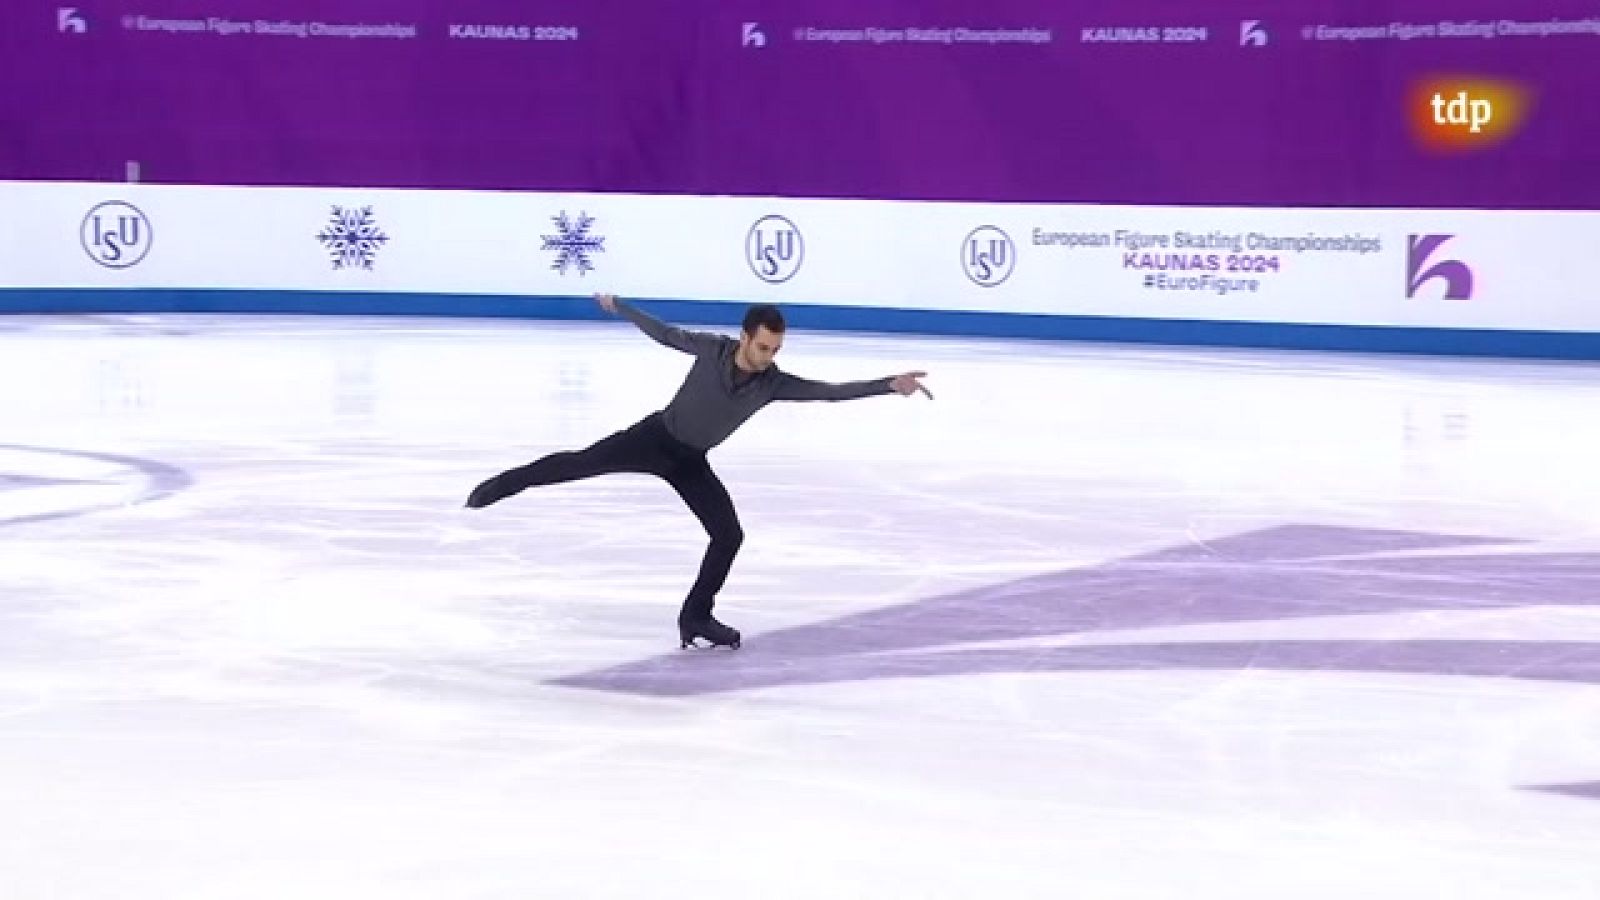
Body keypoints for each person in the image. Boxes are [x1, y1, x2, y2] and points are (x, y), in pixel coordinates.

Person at [465, 293, 933, 649]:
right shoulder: (711, 350)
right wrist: (619, 306)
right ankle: (505, 483)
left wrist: (889, 385)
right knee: (581, 462)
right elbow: (664, 333)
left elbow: (829, 392)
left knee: (728, 535)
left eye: (775, 349)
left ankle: (696, 617)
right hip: (654, 439)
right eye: (764, 347)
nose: (769, 357)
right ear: (746, 336)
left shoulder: (774, 384)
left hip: (690, 461)